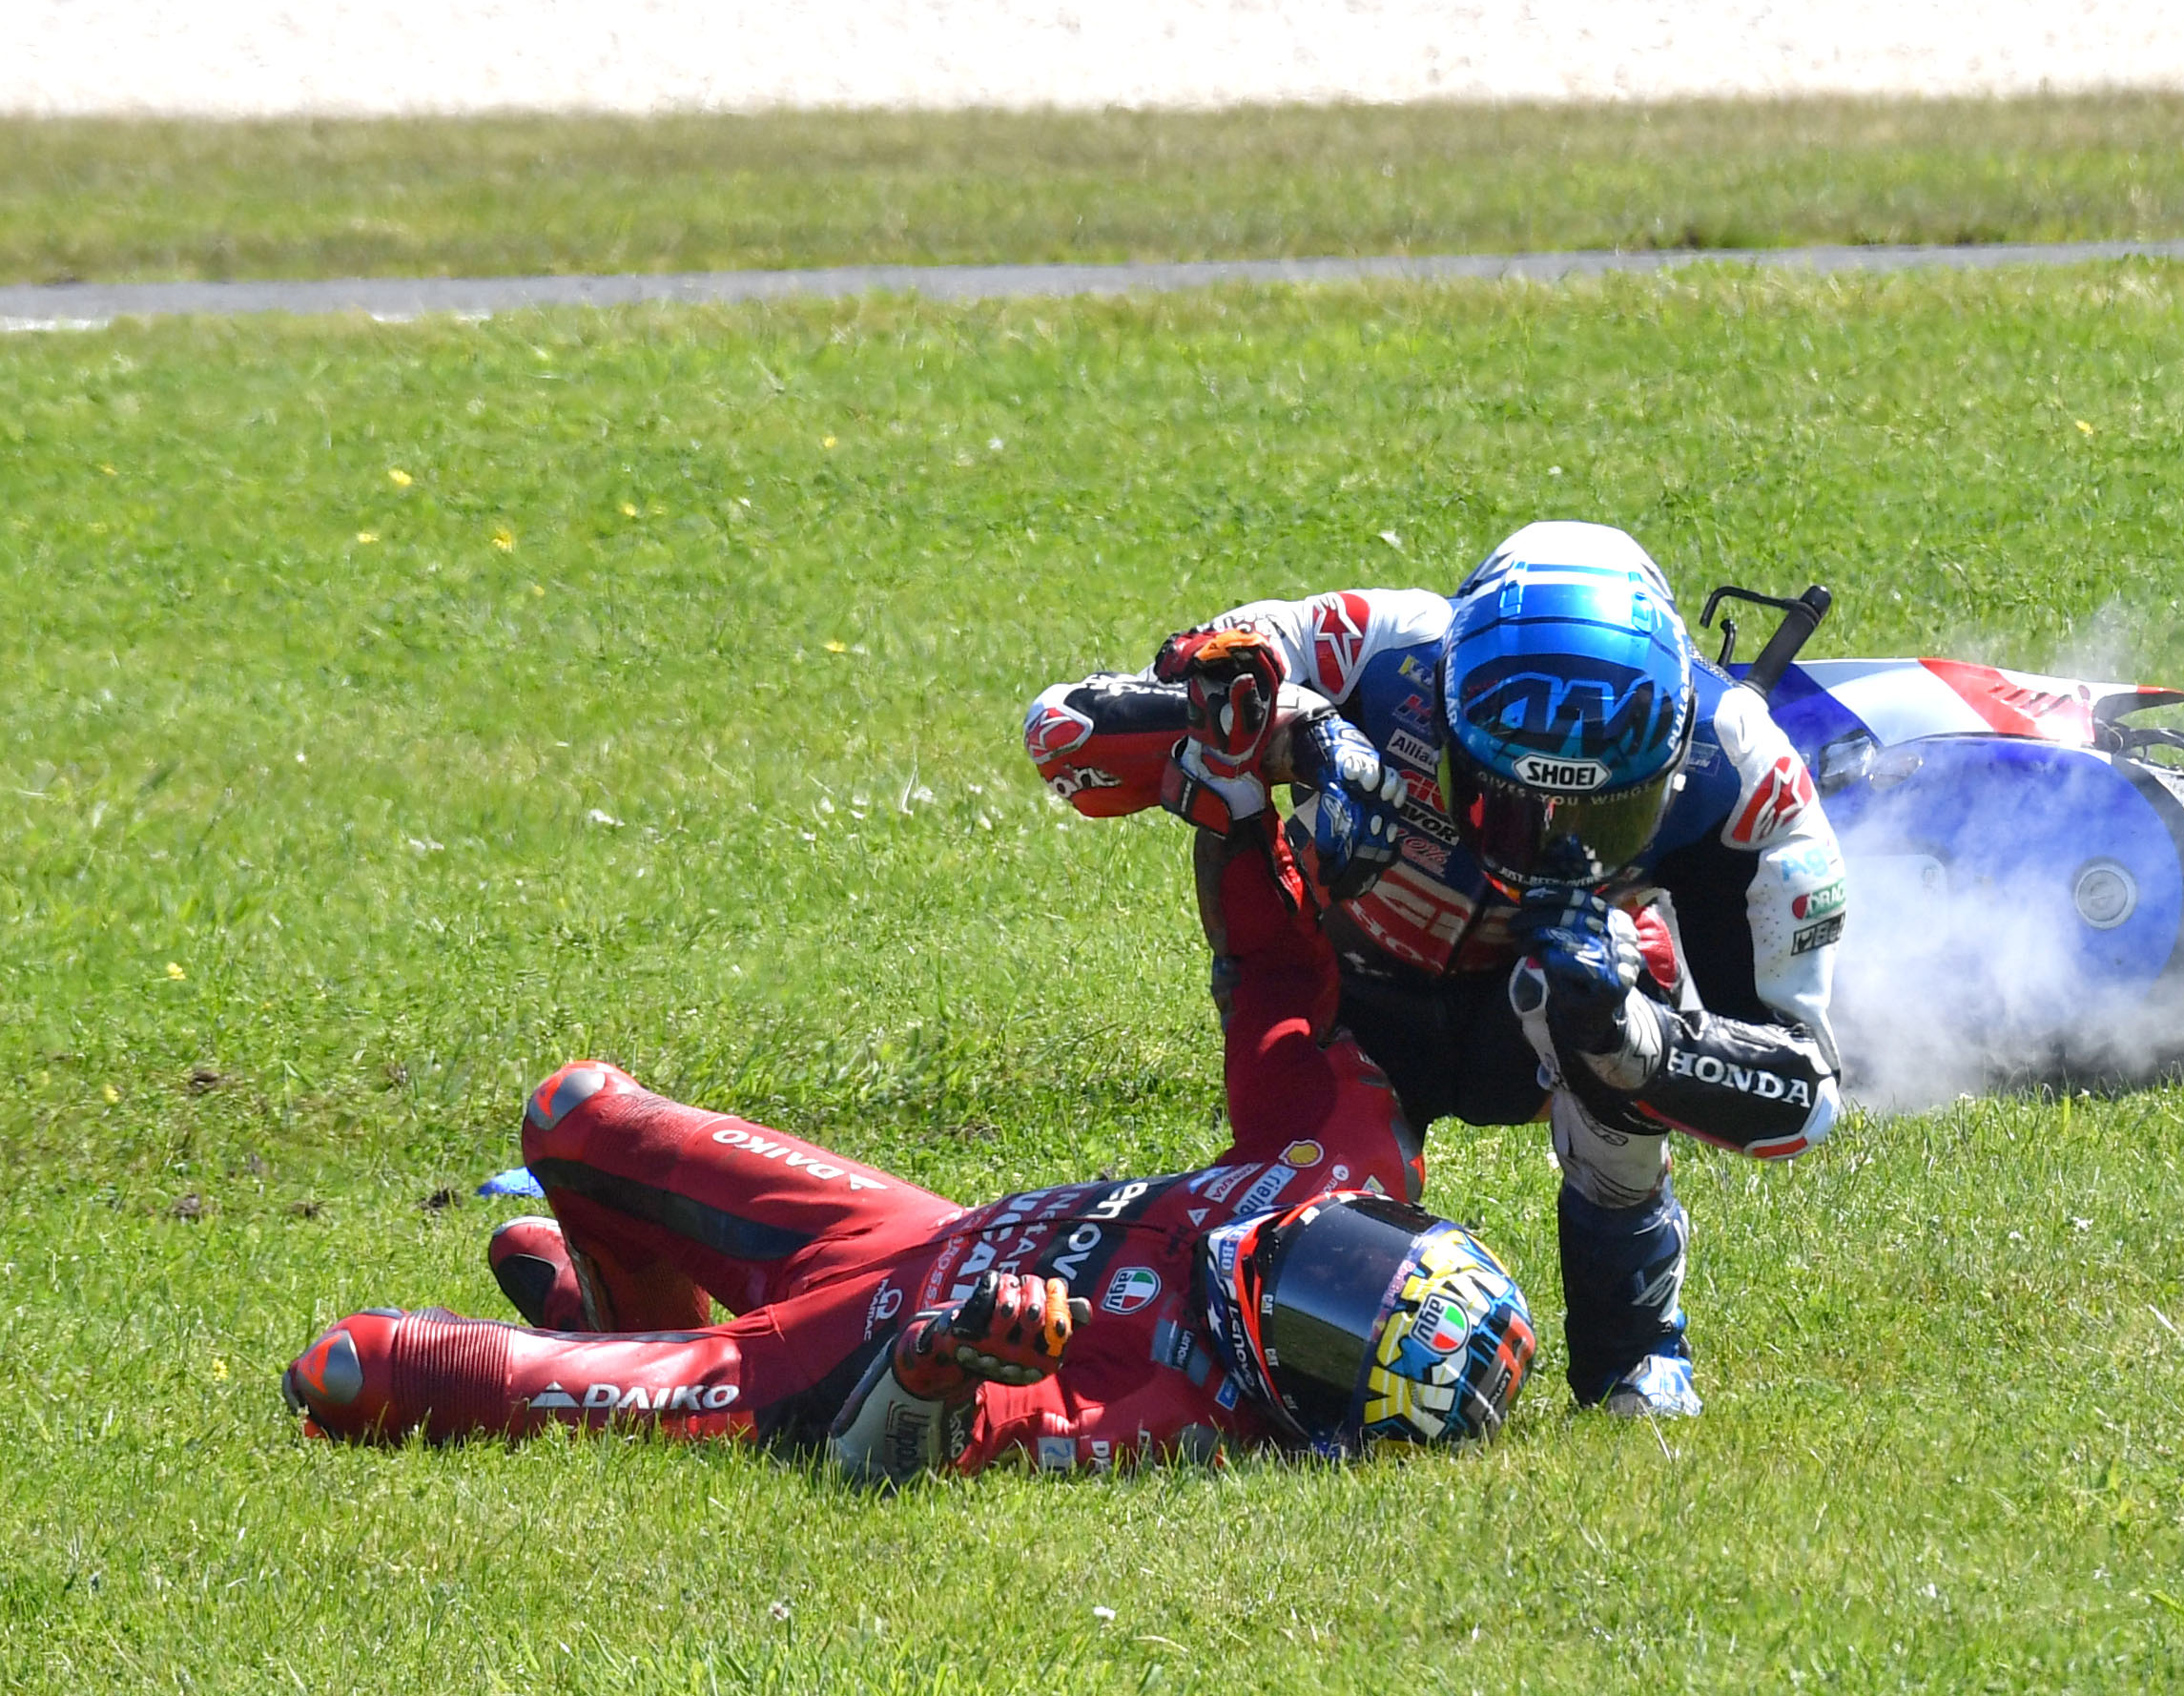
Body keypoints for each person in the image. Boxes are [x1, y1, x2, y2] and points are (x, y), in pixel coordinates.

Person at [282, 816, 1537, 1483]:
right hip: (905, 1232)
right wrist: (1229, 793)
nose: (1309, 1265)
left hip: (823, 1361)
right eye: (1363, 1255)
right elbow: (1270, 972)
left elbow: (873, 1464)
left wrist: (937, 1368)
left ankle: (604, 1345)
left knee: (354, 1369)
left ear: (1311, 1415)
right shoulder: (1338, 1163)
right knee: (572, 1109)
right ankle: (605, 1310)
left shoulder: (1168, 1415)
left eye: (1326, 1323)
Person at [1024, 521, 1849, 1418]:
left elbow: (1807, 1096)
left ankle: (1638, 1351)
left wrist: (1630, 1036)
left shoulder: (1747, 770)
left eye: (1595, 819)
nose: (1543, 843)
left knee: (1627, 976)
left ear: (1671, 763)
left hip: (1543, 1015)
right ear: (1445, 712)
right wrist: (1303, 736)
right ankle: (1249, 1350)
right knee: (1314, 1211)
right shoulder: (1382, 646)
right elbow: (1063, 727)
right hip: (1339, 997)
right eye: (1506, 802)